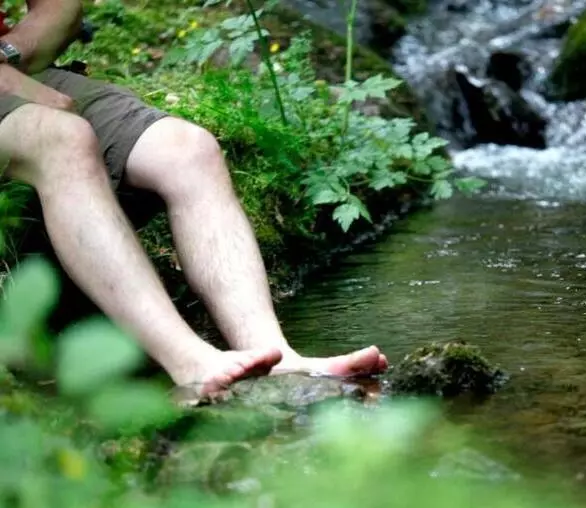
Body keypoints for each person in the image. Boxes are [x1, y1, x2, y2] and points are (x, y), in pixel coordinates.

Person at [0, 1, 388, 396]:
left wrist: (7, 55)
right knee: (63, 140)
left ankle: (274, 356)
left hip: (14, 73)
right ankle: (190, 363)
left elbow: (60, 8)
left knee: (188, 150)